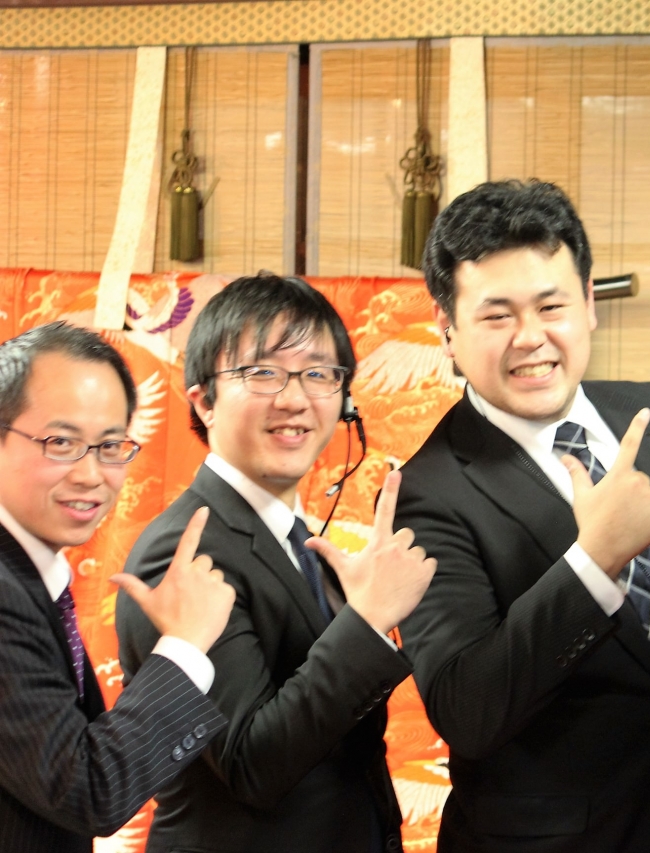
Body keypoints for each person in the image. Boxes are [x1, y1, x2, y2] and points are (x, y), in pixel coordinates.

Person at [394, 180, 650, 853]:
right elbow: (468, 711)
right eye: (496, 316)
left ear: (590, 302)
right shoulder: (425, 492)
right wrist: (591, 565)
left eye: (551, 306)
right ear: (447, 329)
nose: (531, 337)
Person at [115, 274, 437, 853]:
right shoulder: (182, 553)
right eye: (262, 373)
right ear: (204, 401)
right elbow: (251, 764)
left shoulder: (298, 538)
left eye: (319, 373)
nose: (294, 399)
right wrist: (365, 622)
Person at [0, 321, 235, 852]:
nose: (91, 474)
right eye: (61, 442)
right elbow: (88, 789)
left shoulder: (31, 573)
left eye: (110, 445)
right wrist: (185, 644)